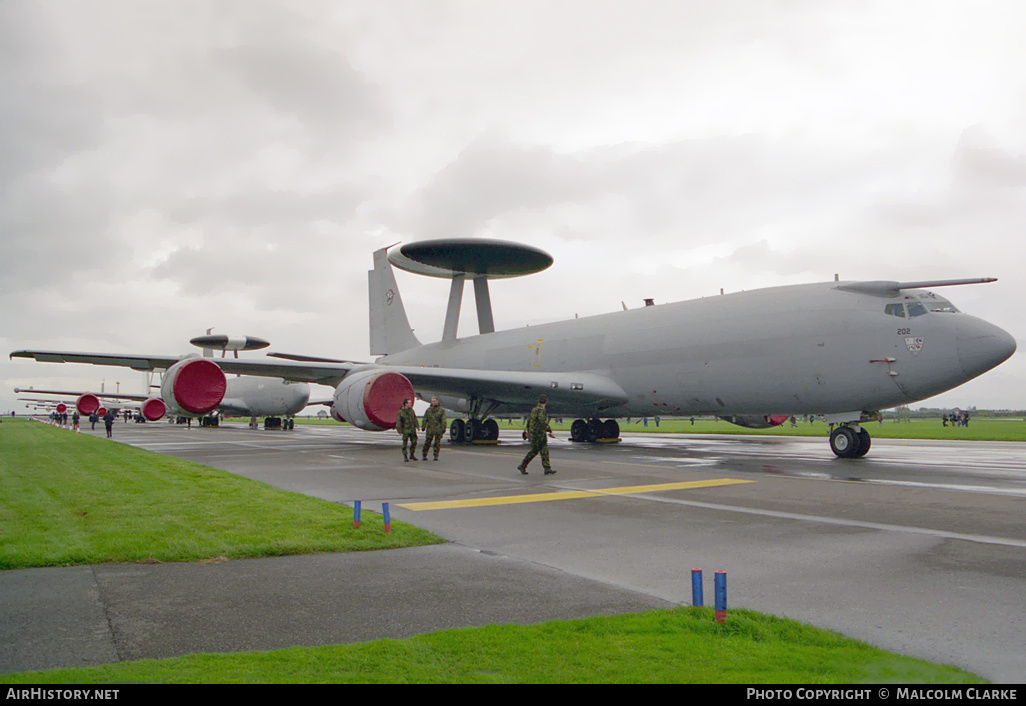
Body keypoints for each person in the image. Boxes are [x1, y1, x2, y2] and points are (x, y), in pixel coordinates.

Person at [517, 395, 555, 475]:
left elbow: (529, 421)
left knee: (543, 451)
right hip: (539, 434)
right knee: (536, 451)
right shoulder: (541, 410)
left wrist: (527, 431)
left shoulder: (534, 410)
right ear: (545, 402)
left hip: (534, 433)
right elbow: (542, 422)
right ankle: (523, 465)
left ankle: (547, 468)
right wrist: (549, 430)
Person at [421, 397, 446, 461]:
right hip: (430, 428)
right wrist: (423, 426)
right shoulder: (428, 410)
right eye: (432, 401)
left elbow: (443, 420)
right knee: (427, 442)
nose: (433, 402)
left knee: (437, 443)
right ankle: (424, 454)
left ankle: (435, 455)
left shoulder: (441, 410)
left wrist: (443, 428)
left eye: (434, 401)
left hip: (438, 428)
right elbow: (425, 419)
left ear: (437, 401)